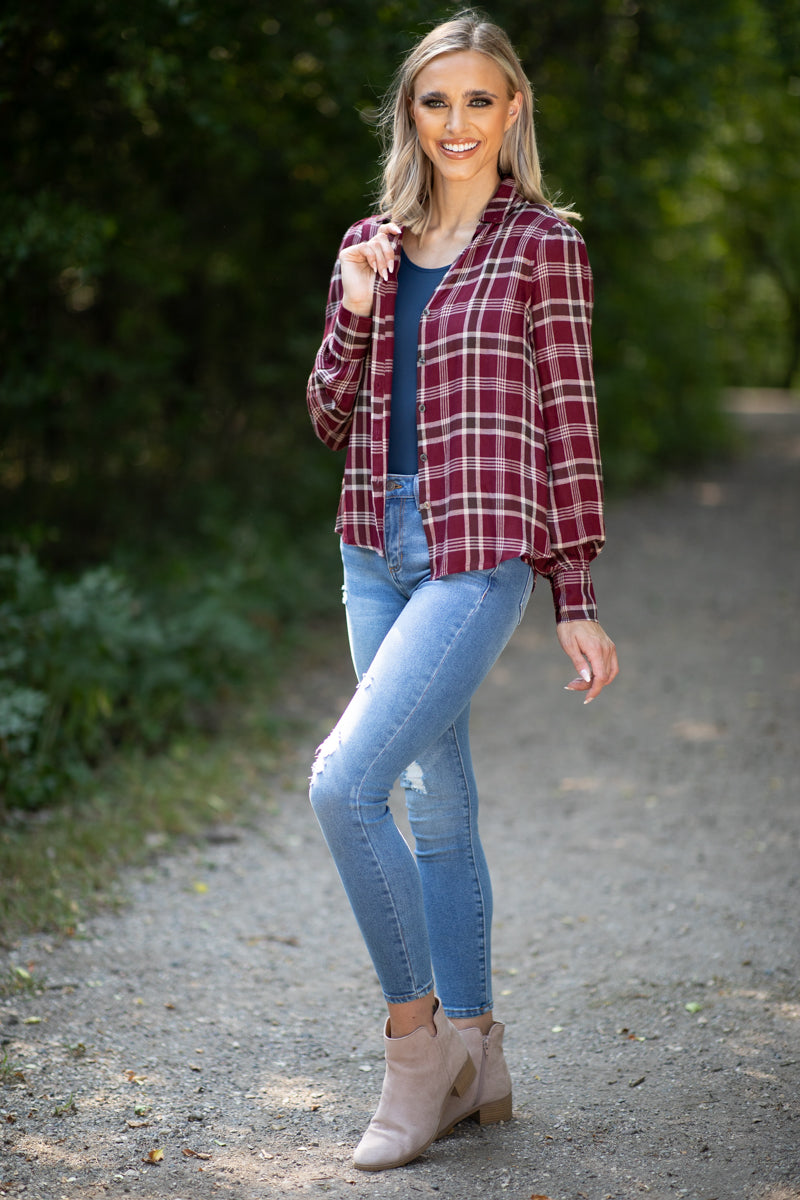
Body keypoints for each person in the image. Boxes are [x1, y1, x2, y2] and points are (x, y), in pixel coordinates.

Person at [306, 9, 618, 1173]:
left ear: (512, 110)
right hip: (367, 551)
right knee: (435, 804)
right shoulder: (370, 242)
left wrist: (571, 589)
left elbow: (569, 427)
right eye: (434, 101)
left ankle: (413, 1051)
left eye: (478, 99)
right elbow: (326, 416)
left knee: (344, 784)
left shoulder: (543, 246)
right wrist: (347, 308)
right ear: (410, 113)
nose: (455, 122)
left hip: (475, 551)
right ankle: (478, 1053)